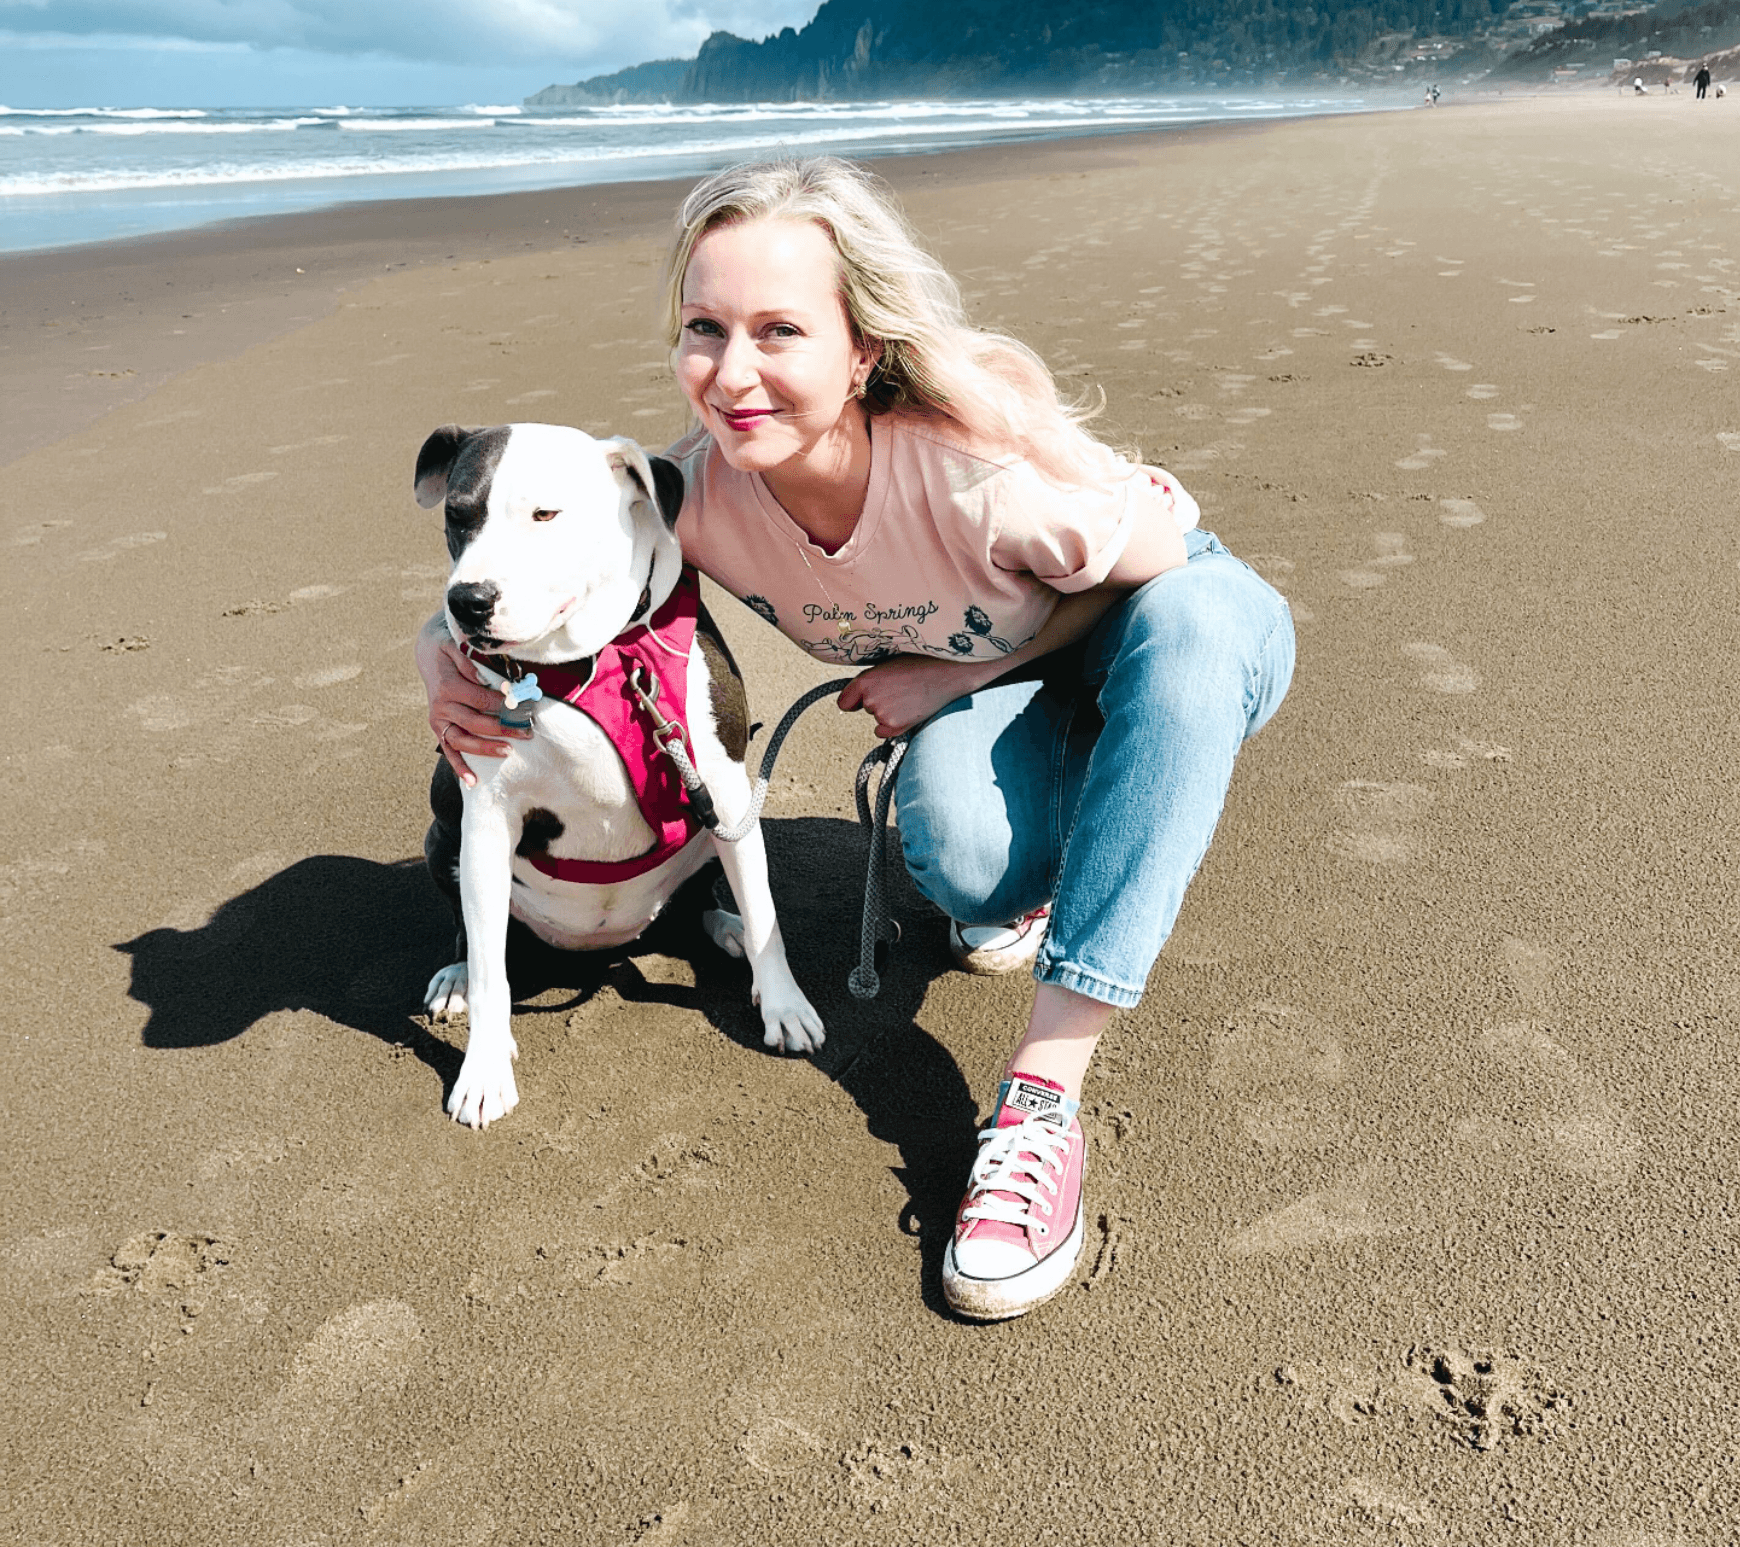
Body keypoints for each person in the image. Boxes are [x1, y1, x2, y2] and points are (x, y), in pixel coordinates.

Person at [418, 157, 1294, 1321]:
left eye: (780, 331)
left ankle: (1041, 1104)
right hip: (1012, 674)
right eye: (705, 329)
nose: (735, 374)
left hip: (1161, 608)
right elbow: (535, 541)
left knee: (1178, 653)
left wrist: (957, 670)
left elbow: (1163, 571)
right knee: (962, 852)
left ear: (861, 350)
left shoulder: (976, 469)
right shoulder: (692, 491)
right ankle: (1053, 855)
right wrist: (440, 651)